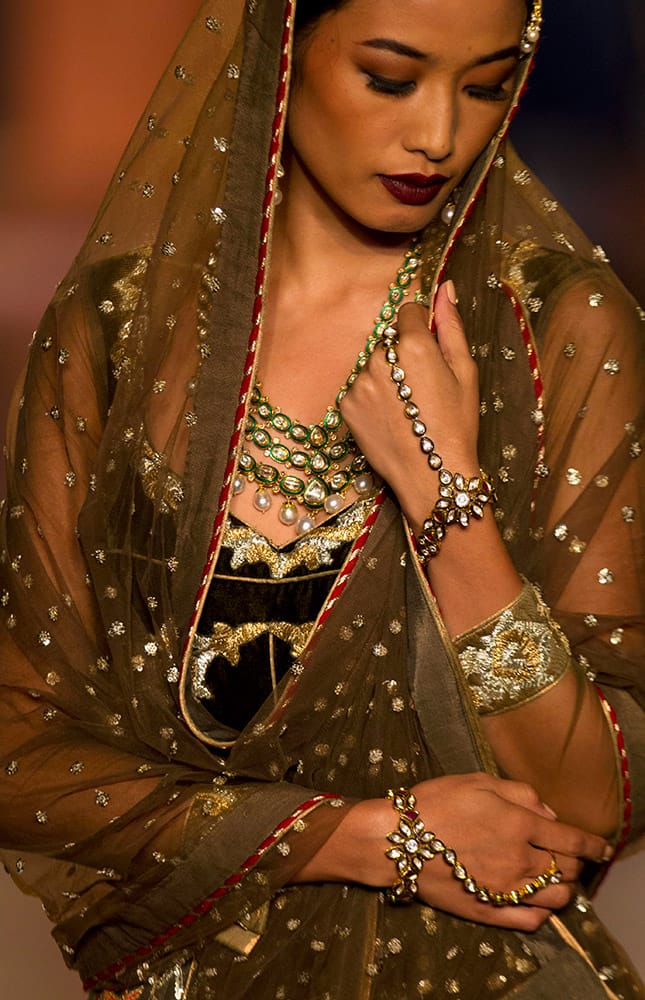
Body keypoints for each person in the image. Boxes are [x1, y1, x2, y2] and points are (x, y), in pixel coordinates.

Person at [0, 0, 643, 997]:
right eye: (390, 78)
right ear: (280, 48)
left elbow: (587, 803)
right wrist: (364, 835)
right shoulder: (122, 332)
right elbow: (21, 753)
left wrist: (446, 496)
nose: (439, 135)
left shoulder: (555, 329)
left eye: (486, 86)